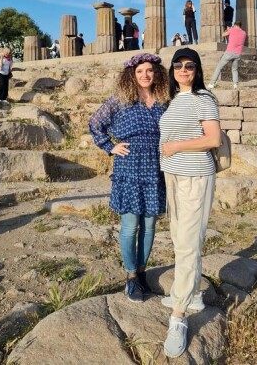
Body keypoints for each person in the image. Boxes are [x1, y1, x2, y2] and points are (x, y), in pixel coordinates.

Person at [88, 53, 169, 303]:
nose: (145, 75)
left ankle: (142, 273)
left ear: (156, 73)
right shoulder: (121, 100)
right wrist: (109, 146)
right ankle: (131, 276)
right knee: (130, 225)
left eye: (149, 70)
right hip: (130, 166)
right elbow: (95, 122)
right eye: (140, 71)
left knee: (150, 225)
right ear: (131, 75)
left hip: (155, 168)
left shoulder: (164, 101)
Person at [158, 47, 221, 358]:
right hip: (173, 176)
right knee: (180, 238)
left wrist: (176, 147)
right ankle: (193, 294)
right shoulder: (172, 100)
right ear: (172, 70)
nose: (184, 69)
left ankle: (179, 316)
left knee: (187, 243)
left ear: (197, 70)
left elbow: (213, 139)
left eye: (190, 65)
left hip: (195, 175)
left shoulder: (203, 99)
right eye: (178, 65)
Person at [207, 21, 246, 90]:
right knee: (234, 69)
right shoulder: (244, 33)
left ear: (235, 25)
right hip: (238, 54)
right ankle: (235, 85)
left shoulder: (232, 30)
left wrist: (228, 30)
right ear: (240, 25)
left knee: (219, 67)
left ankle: (212, 84)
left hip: (229, 52)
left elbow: (223, 35)